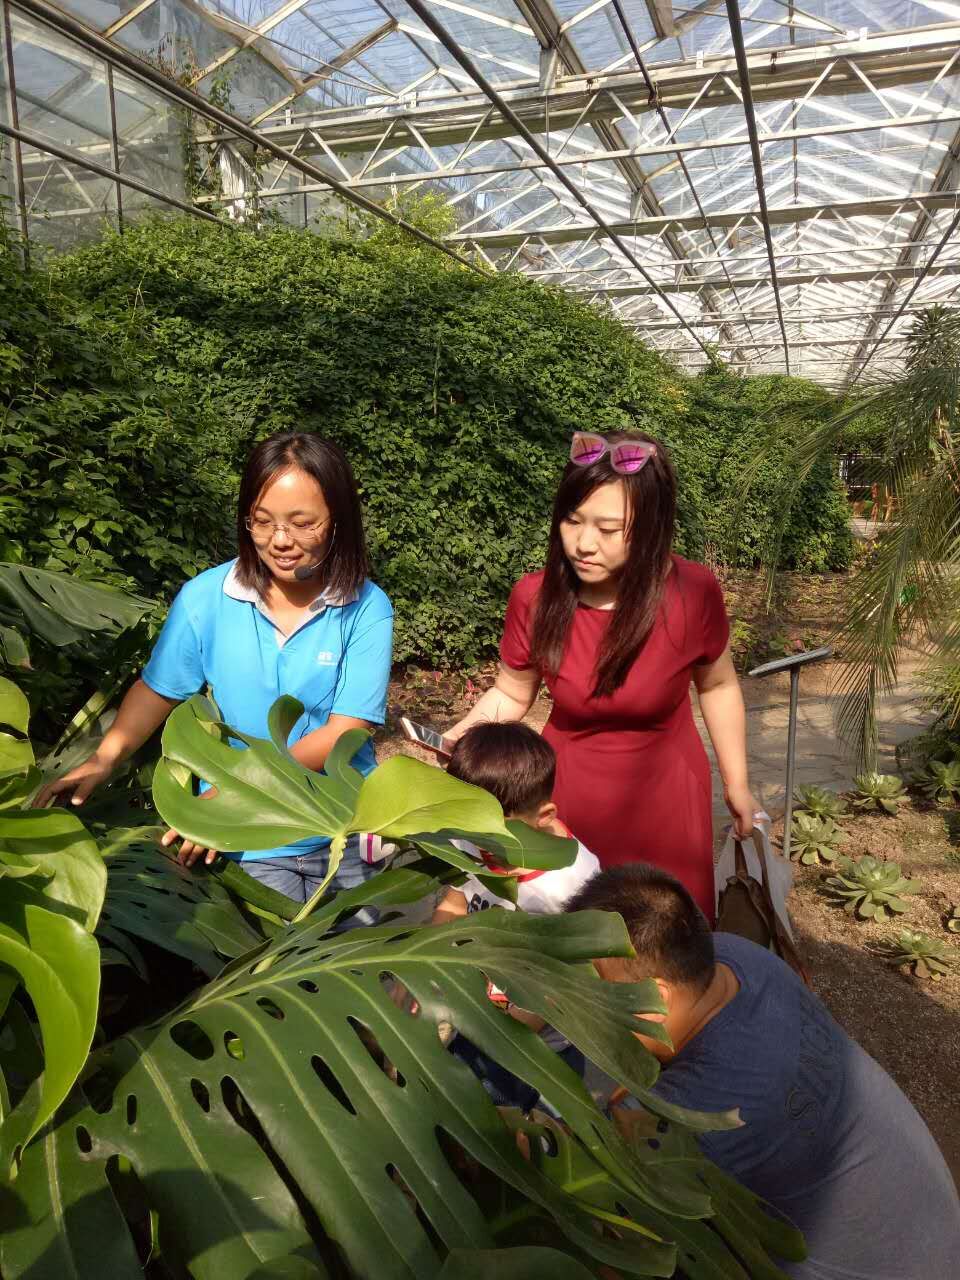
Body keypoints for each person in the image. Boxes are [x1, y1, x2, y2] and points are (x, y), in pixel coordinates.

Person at [35, 432, 394, 902]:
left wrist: (236, 791)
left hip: (344, 826)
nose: (280, 541)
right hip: (245, 837)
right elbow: (159, 690)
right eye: (262, 522)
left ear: (338, 521)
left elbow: (348, 729)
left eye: (302, 524)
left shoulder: (366, 607)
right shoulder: (206, 598)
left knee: (353, 946)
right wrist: (103, 759)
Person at [565, 864, 960, 1280]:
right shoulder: (739, 958)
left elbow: (610, 1231)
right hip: (930, 1228)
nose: (573, 996)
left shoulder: (704, 1112)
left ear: (654, 997)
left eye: (586, 985)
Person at [447, 428, 755, 922]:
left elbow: (717, 686)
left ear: (651, 527)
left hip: (667, 797)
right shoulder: (535, 597)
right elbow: (511, 691)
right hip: (567, 797)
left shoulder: (692, 592)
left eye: (608, 530)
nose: (583, 544)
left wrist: (736, 782)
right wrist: (459, 739)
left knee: (665, 938)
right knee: (575, 934)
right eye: (572, 521)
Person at [431, 722, 599, 1109]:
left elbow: (566, 987)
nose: (477, 842)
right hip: (470, 1016)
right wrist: (429, 969)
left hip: (537, 1048)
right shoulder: (470, 839)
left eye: (493, 834)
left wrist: (471, 1013)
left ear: (544, 816)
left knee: (525, 1129)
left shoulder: (572, 884)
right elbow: (454, 903)